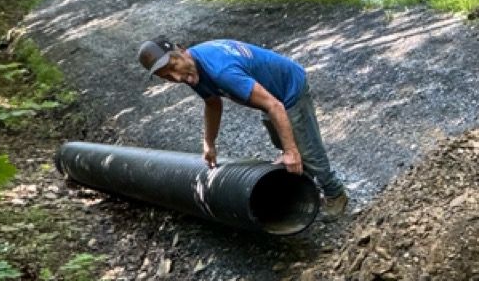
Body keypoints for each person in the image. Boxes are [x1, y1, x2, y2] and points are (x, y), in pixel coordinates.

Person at [137, 37, 349, 217]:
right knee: (281, 139)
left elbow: (274, 105)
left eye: (173, 67)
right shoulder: (194, 70)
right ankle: (306, 183)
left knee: (305, 147)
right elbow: (212, 103)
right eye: (165, 76)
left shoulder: (221, 71)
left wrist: (292, 151)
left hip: (288, 89)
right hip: (272, 96)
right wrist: (209, 142)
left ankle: (334, 193)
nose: (176, 78)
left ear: (180, 51)